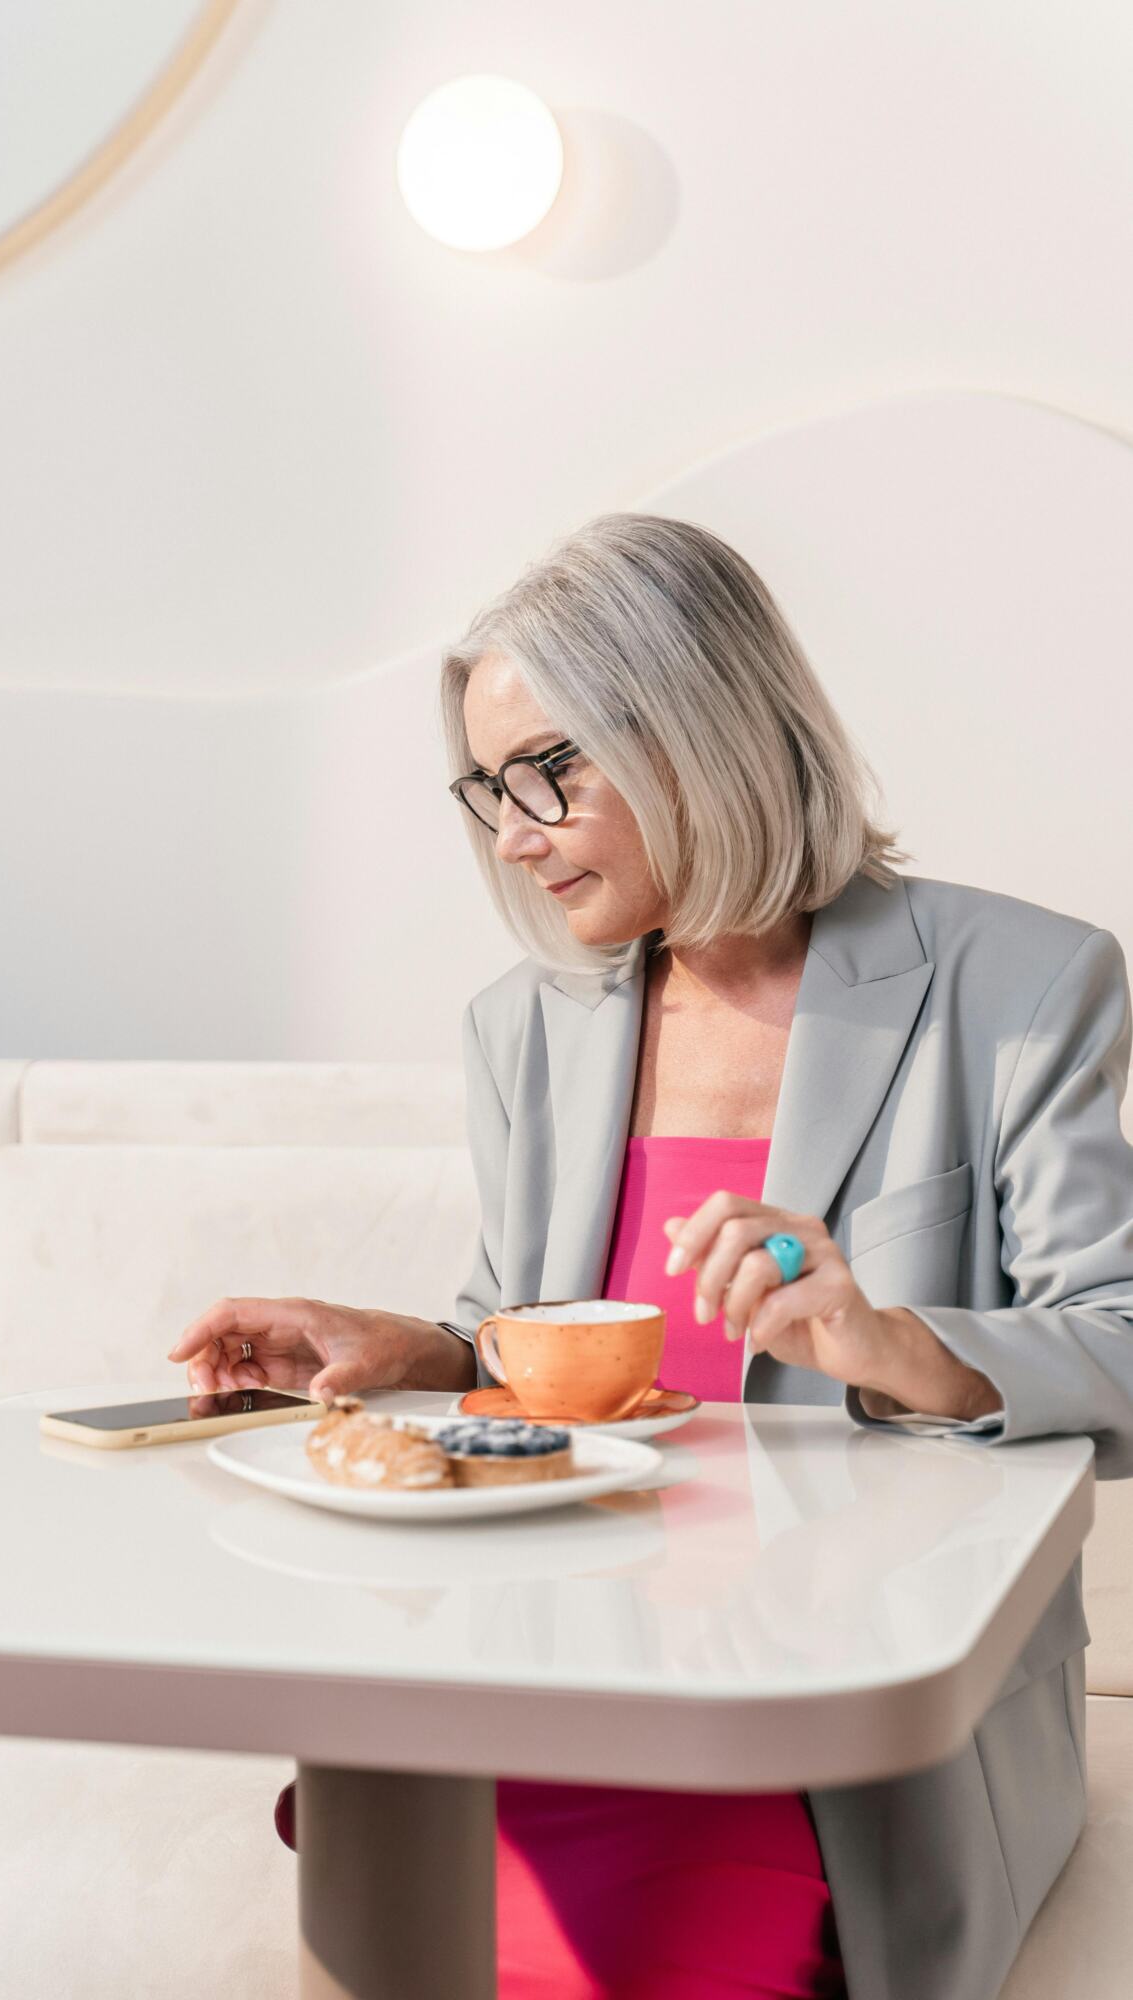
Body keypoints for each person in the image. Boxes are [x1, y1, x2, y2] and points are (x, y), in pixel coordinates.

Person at [167, 513, 1133, 2000]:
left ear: (704, 730)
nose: (511, 834)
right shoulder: (526, 1028)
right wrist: (419, 1351)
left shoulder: (1016, 986)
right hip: (544, 1666)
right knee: (386, 1904)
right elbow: (548, 1343)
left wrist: (894, 1346)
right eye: (489, 788)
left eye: (550, 770)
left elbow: (1119, 1343)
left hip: (830, 1714)